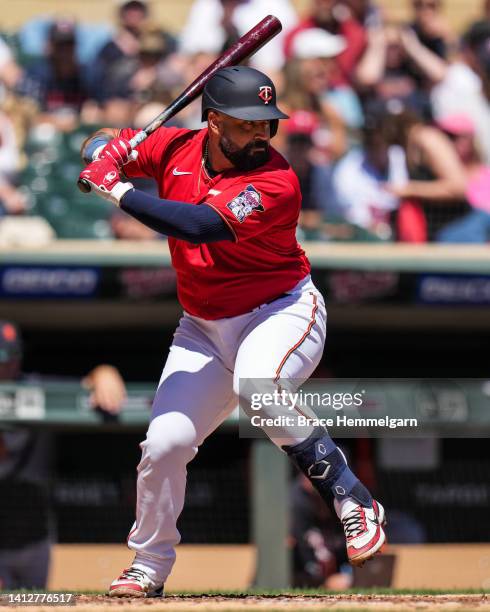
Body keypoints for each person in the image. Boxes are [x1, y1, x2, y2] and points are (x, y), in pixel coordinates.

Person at [78, 65, 386, 598]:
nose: (261, 134)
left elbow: (198, 225)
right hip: (202, 326)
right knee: (164, 444)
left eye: (267, 123)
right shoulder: (175, 147)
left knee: (258, 388)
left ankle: (351, 496)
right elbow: (101, 141)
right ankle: (148, 564)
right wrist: (101, 152)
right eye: (247, 124)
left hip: (280, 310)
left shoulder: (275, 179)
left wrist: (120, 192)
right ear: (214, 121)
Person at [0, 320, 127, 589]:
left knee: (34, 603)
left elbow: (87, 383)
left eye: (12, 356)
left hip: (34, 534)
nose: (8, 365)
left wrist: (105, 373)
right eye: (2, 358)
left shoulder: (36, 388)